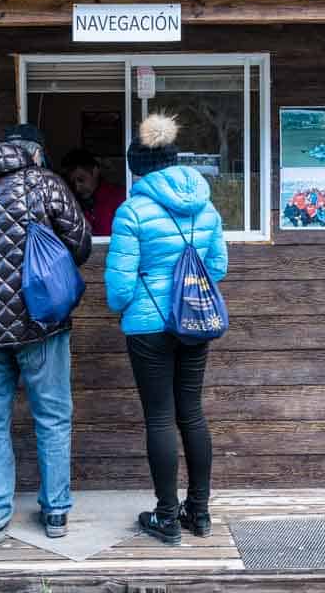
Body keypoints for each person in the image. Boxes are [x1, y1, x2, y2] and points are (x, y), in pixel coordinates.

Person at [0, 124, 92, 544]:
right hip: (40, 322)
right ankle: (56, 513)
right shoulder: (45, 184)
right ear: (35, 152)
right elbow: (80, 245)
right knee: (52, 418)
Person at [103, 113, 228, 546]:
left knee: (159, 416)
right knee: (191, 413)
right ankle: (201, 513)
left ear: (137, 168)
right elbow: (218, 267)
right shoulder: (207, 206)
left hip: (148, 325)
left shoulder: (132, 209)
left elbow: (119, 287)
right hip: (194, 321)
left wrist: (129, 305)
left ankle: (166, 517)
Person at [61, 148, 125, 236]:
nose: (77, 188)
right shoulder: (72, 204)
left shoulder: (120, 197)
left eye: (81, 180)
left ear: (95, 171)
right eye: (73, 182)